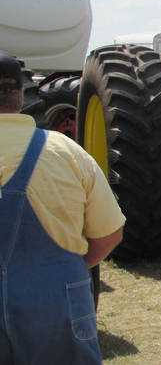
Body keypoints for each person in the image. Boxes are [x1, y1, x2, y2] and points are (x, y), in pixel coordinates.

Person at [0, 51, 125, 364]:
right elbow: (109, 235)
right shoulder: (65, 151)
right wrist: (58, 272)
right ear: (20, 94)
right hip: (55, 302)